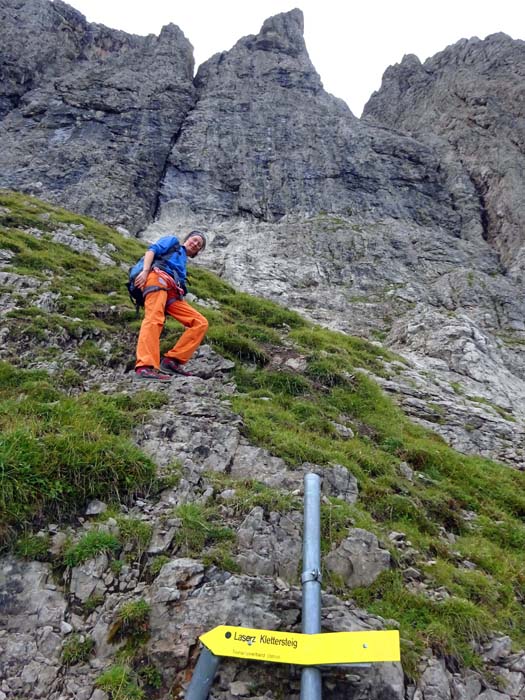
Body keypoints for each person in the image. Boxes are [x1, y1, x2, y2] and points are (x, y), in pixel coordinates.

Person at [134, 231, 208, 381]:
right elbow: (152, 250)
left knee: (200, 323)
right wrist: (145, 271)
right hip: (157, 279)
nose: (195, 244)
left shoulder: (183, 261)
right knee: (154, 319)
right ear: (187, 239)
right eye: (194, 240)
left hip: (172, 292)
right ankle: (145, 367)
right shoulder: (172, 241)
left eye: (199, 245)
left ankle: (172, 361)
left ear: (197, 252)